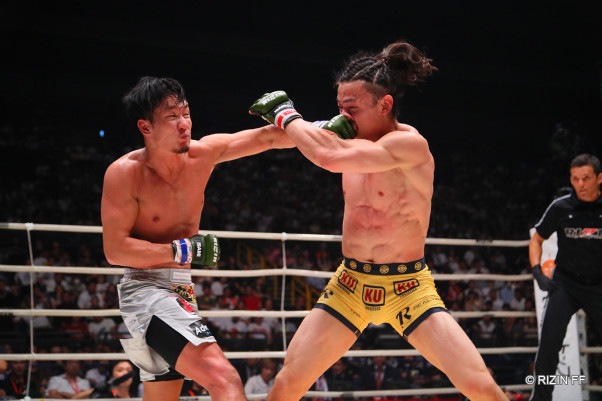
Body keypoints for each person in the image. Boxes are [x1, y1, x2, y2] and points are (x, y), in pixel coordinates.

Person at [249, 40, 508, 401]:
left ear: (384, 105)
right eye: (340, 107)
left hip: (408, 288)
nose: (343, 117)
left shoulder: (410, 145)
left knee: (480, 386)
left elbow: (326, 155)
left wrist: (285, 114)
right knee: (287, 384)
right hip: (350, 284)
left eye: (352, 108)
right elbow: (279, 139)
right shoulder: (343, 136)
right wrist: (204, 153)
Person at [101, 76, 294, 401]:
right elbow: (115, 249)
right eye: (171, 117)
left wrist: (334, 128)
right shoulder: (124, 173)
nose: (184, 124)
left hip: (182, 290)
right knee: (224, 379)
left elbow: (268, 137)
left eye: (186, 113)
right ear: (146, 127)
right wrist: (183, 250)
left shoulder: (202, 155)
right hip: (145, 292)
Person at [528, 153, 602, 401]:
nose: (580, 184)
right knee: (549, 344)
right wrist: (537, 271)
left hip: (599, 284)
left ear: (599, 178)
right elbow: (537, 239)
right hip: (566, 283)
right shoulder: (561, 207)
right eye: (575, 178)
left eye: (586, 178)